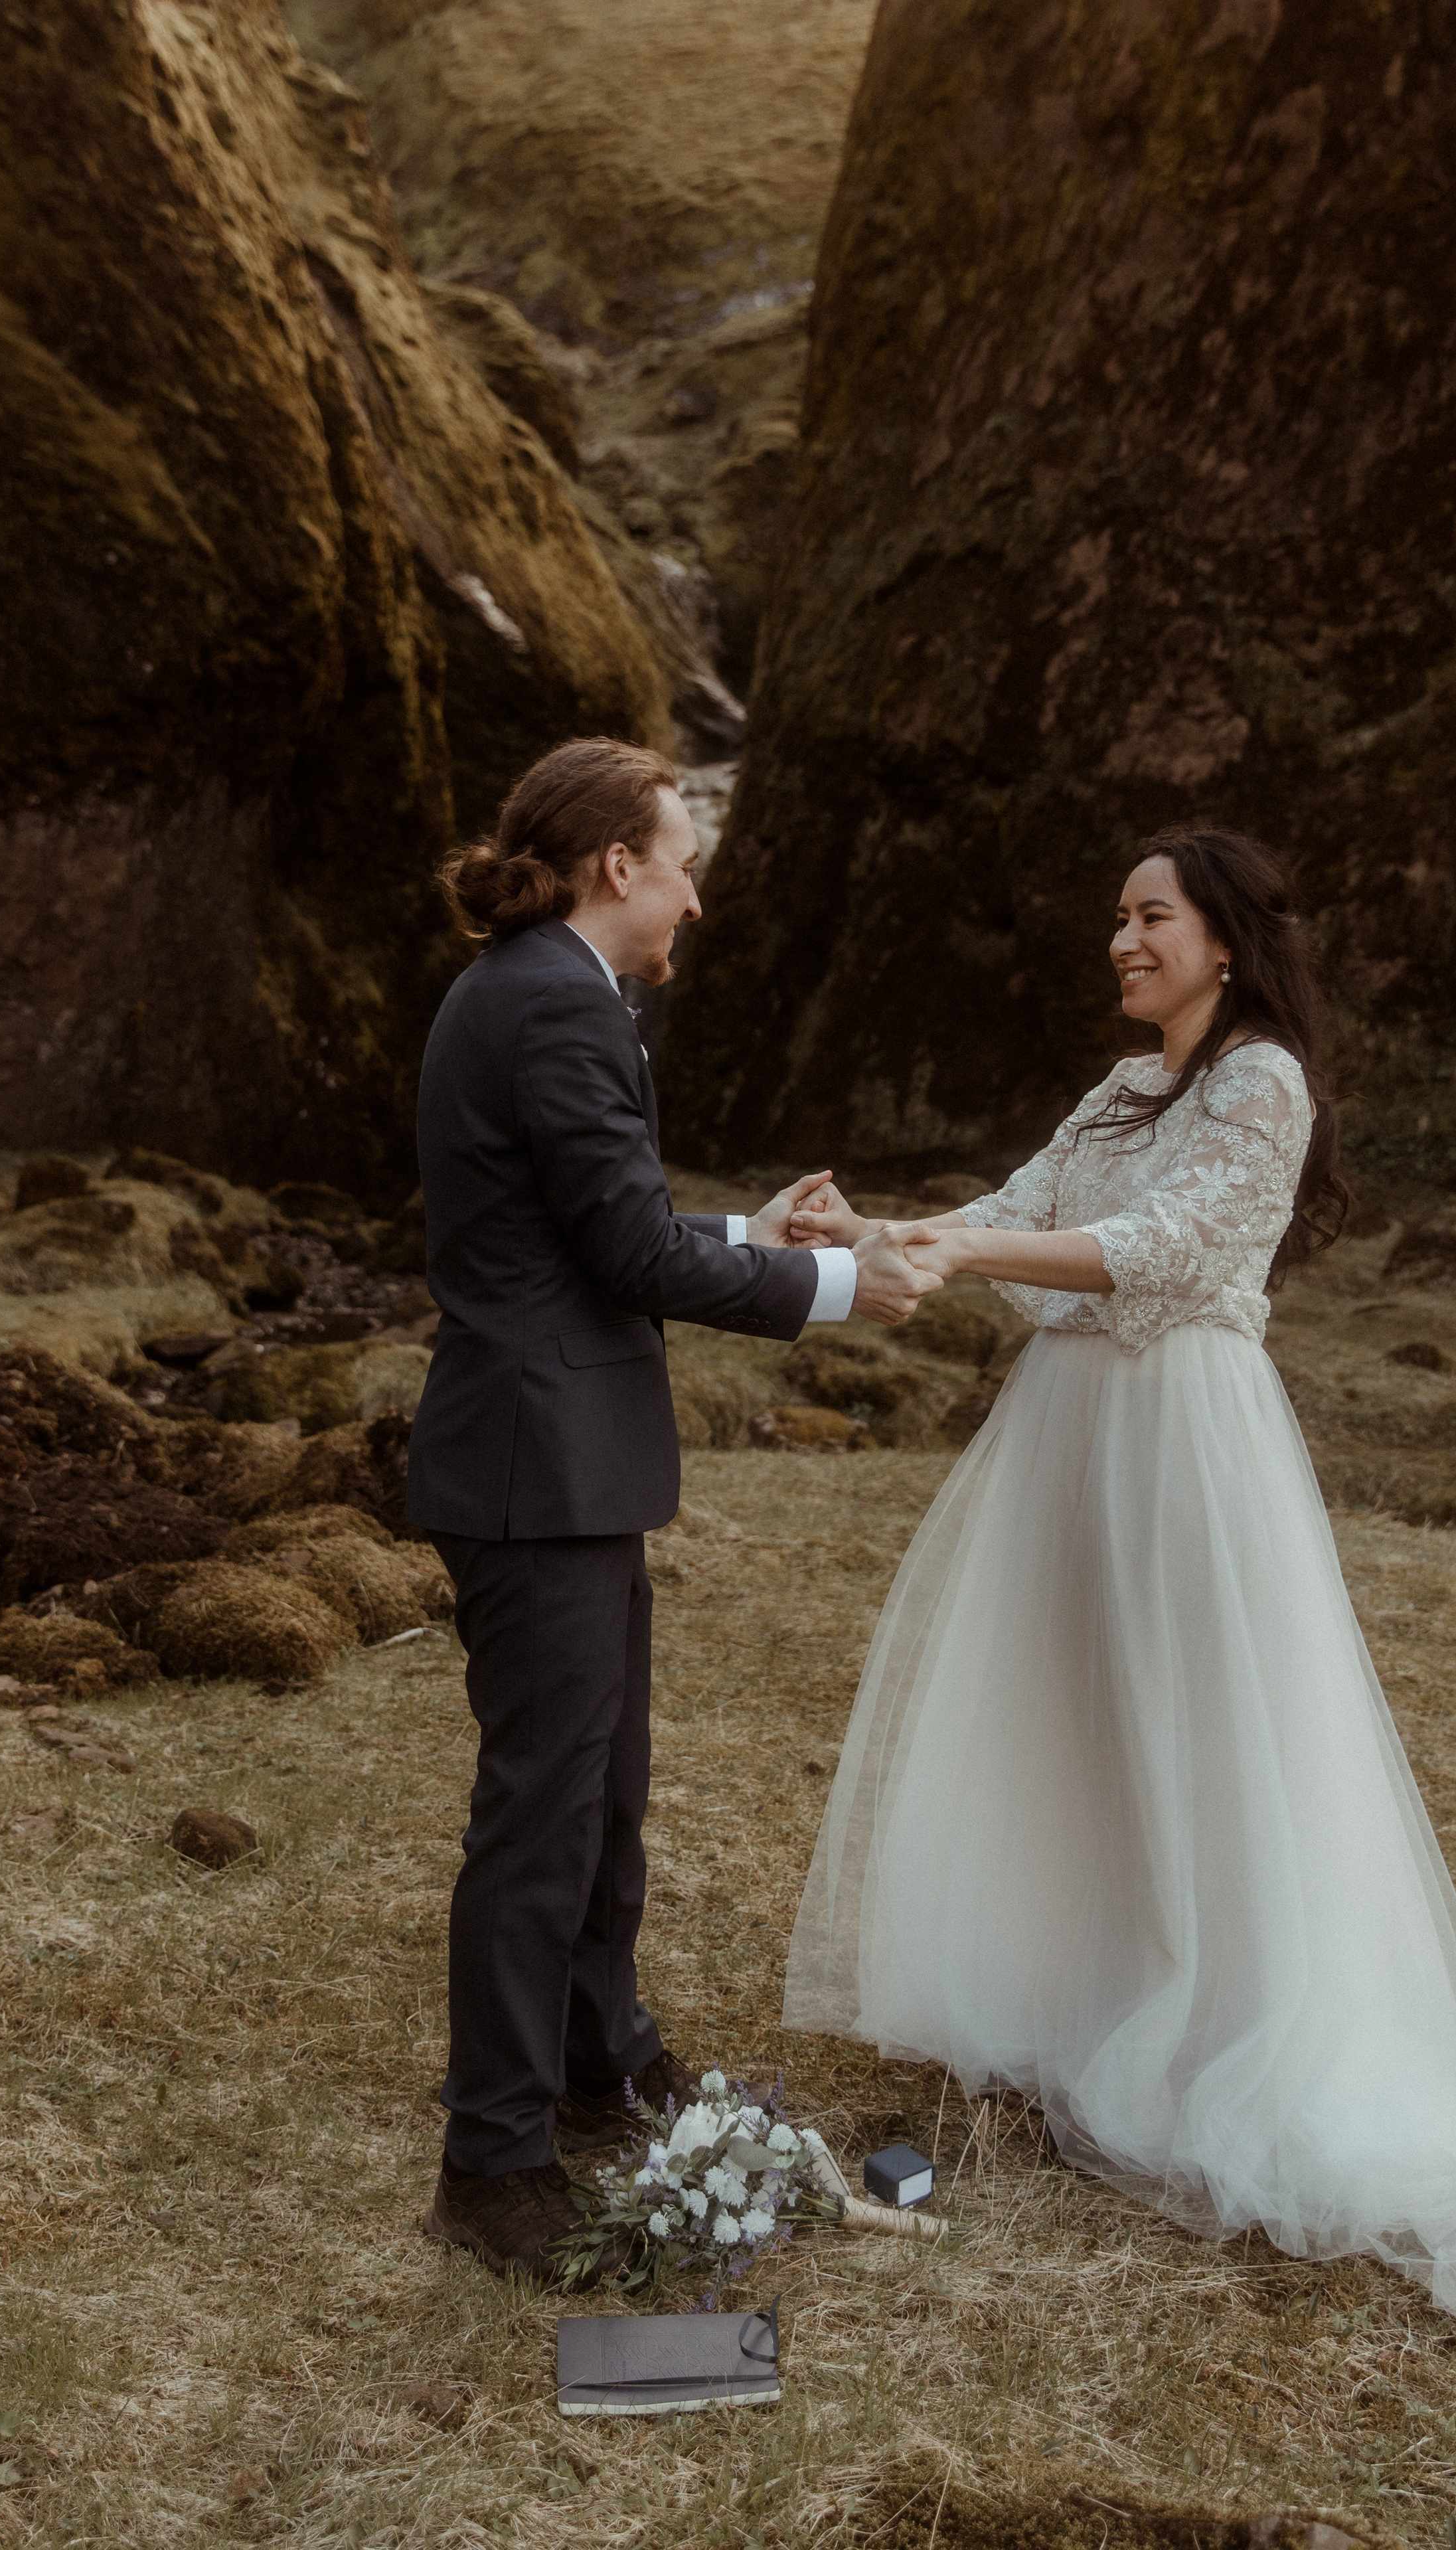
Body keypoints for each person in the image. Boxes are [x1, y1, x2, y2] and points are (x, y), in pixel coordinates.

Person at [783, 825, 1456, 2320]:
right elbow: (1015, 1210)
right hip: (1068, 1437)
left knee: (1197, 1725)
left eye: (1148, 917)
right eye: (1113, 918)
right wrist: (860, 1234)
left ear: (1225, 942)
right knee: (1076, 1719)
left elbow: (1166, 1250)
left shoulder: (1262, 1082)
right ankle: (1102, 1996)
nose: (1120, 941)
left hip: (1183, 1439)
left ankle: (1220, 2029)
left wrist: (968, 1256)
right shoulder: (1123, 1086)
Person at [407, 736, 936, 2286]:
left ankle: (602, 2059)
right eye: (683, 860)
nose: (696, 897)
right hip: (533, 1470)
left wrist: (741, 1229)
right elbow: (624, 1264)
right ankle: (492, 2156)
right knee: (540, 1818)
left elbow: (595, 1227)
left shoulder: (546, 992)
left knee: (603, 1792)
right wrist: (840, 1281)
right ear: (614, 863)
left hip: (561, 1463)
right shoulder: (555, 999)